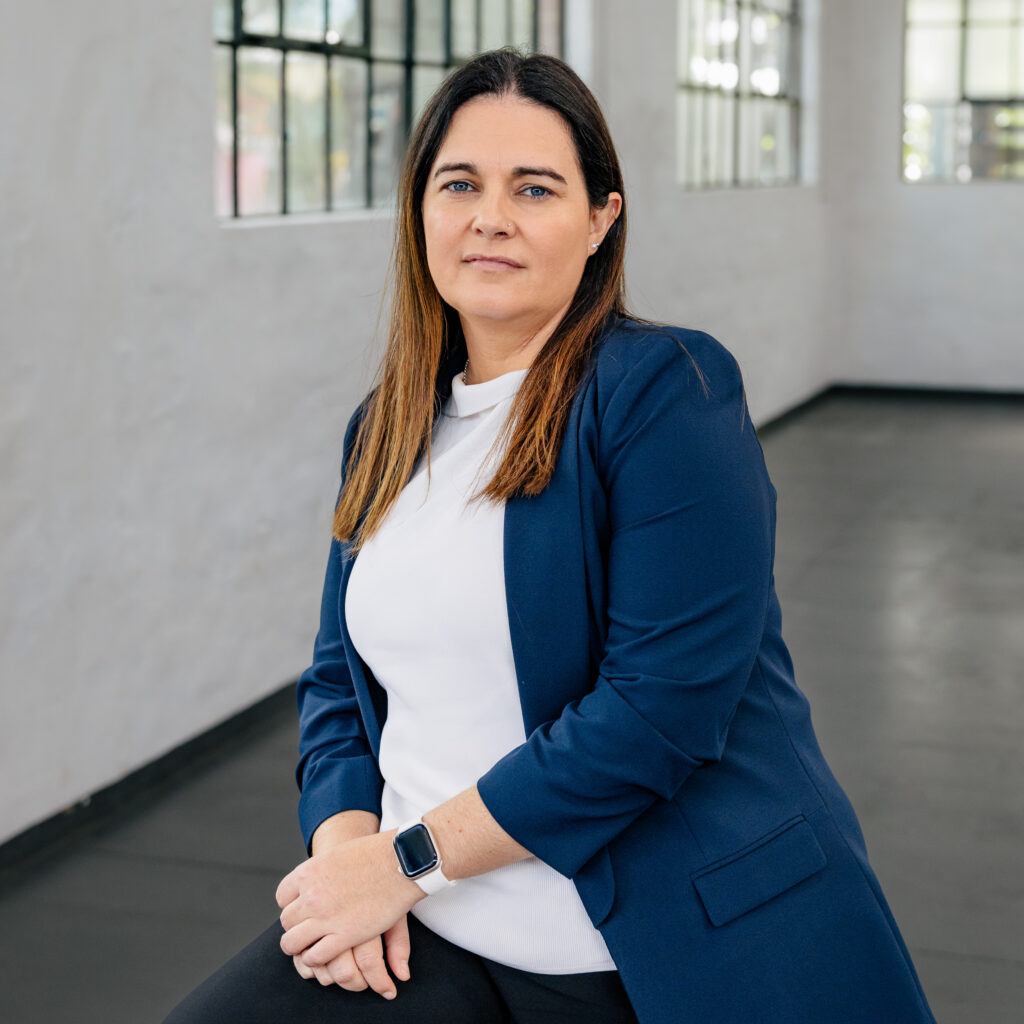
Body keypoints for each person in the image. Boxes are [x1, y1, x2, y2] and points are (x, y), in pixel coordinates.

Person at [165, 48, 937, 1024]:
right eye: (460, 185)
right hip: (430, 936)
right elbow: (336, 683)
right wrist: (344, 858)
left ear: (600, 218)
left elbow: (655, 712)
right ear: (419, 211)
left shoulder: (665, 392)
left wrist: (403, 861)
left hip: (646, 956)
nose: (491, 216)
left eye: (534, 188)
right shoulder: (386, 426)